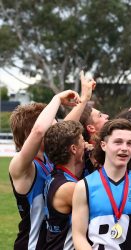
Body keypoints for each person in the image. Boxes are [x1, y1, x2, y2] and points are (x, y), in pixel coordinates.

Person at [72, 119, 131, 250]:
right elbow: (78, 236)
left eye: (129, 143)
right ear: (104, 145)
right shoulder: (84, 186)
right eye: (118, 142)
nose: (124, 148)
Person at [9, 90, 80, 249]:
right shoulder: (22, 166)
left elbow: (65, 132)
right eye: (52, 127)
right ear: (30, 132)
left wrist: (84, 99)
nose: (55, 132)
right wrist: (56, 99)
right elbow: (39, 130)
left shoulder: (48, 158)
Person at [43, 121, 85, 250]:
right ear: (73, 149)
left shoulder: (55, 176)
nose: (86, 145)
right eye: (83, 141)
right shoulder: (69, 188)